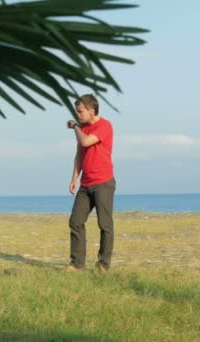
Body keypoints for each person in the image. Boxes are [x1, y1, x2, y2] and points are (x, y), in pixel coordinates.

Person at [66, 94, 116, 273]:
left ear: (91, 111)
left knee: (105, 225)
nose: (78, 115)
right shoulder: (83, 128)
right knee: (75, 221)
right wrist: (74, 178)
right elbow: (80, 154)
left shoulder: (104, 126)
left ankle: (102, 265)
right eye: (77, 112)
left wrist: (75, 126)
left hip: (103, 183)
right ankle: (76, 264)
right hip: (85, 184)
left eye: (80, 111)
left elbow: (87, 141)